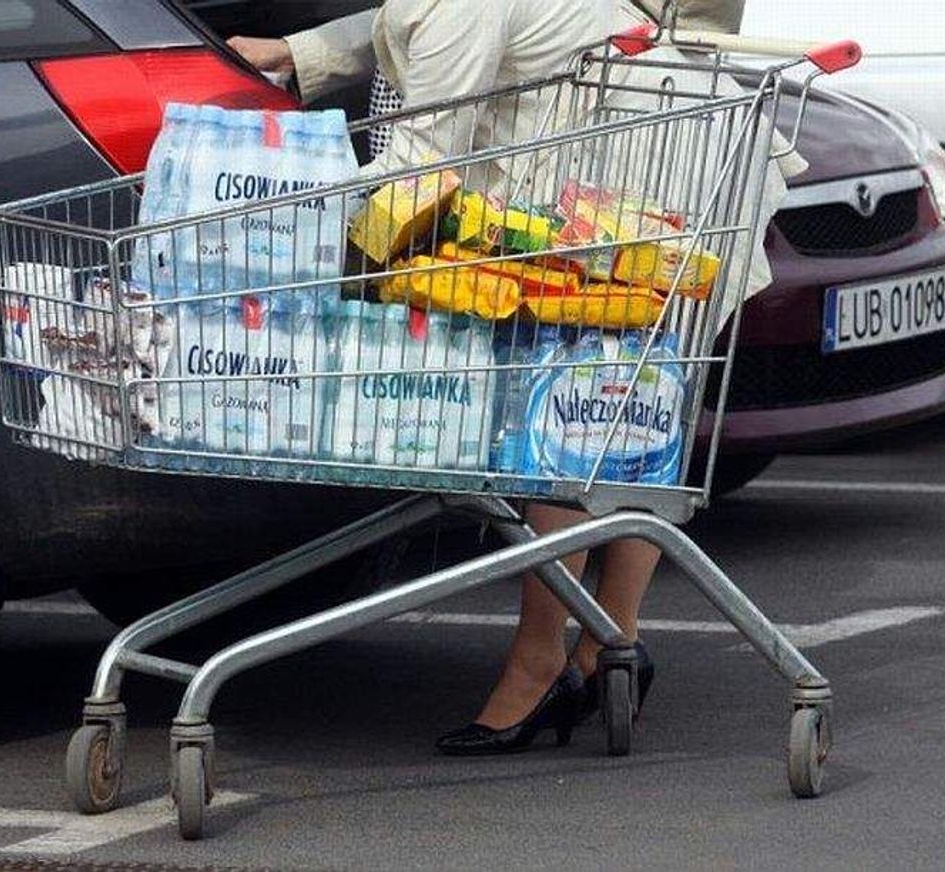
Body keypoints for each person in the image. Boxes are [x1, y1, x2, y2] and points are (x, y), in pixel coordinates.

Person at [229, 0, 752, 755]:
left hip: (627, 158)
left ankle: (546, 657)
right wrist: (298, 53)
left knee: (577, 418)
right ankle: (610, 646)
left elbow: (423, 164)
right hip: (651, 133)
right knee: (626, 409)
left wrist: (261, 209)